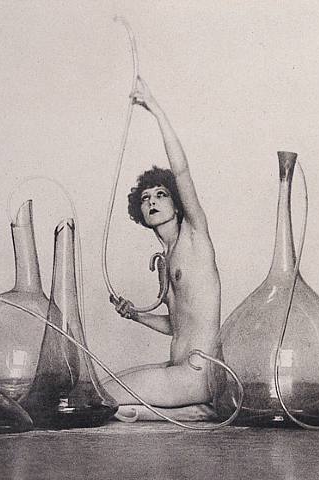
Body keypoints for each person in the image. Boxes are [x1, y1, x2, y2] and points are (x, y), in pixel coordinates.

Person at [102, 77, 221, 409]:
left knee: (99, 400)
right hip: (178, 369)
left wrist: (153, 107)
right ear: (140, 212)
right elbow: (176, 324)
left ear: (177, 204)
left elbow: (181, 172)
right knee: (98, 389)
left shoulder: (195, 236)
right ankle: (191, 413)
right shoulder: (165, 258)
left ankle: (195, 409)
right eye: (145, 198)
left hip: (197, 375)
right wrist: (135, 316)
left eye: (160, 194)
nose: (152, 201)